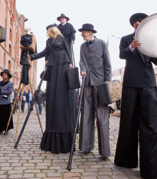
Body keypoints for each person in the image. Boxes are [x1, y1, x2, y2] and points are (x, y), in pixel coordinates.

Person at [114, 13, 157, 179]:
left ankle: (149, 169)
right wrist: (131, 46)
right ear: (133, 25)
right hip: (130, 84)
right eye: (136, 21)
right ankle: (126, 160)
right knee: (128, 123)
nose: (138, 22)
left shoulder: (151, 40)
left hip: (148, 85)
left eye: (141, 20)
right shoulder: (125, 39)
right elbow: (122, 54)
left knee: (150, 126)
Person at [30, 24, 73, 154]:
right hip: (53, 67)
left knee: (61, 92)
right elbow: (45, 52)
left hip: (63, 65)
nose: (47, 33)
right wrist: (33, 57)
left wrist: (70, 64)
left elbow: (68, 50)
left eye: (48, 31)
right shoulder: (49, 41)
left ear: (52, 30)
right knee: (53, 94)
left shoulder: (62, 38)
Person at [78, 23, 112, 160]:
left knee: (102, 117)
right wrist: (82, 70)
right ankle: (85, 147)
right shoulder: (82, 46)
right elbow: (82, 61)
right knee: (86, 114)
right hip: (87, 84)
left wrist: (108, 79)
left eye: (83, 32)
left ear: (90, 32)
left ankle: (104, 152)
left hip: (100, 84)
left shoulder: (101, 43)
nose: (81, 34)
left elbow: (107, 62)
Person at [0, 69, 14, 135]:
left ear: (8, 76)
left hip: (6, 103)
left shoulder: (10, 84)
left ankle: (6, 129)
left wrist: (0, 91)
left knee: (6, 117)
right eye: (3, 75)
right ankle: (0, 129)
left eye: (5, 75)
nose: (3, 76)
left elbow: (9, 92)